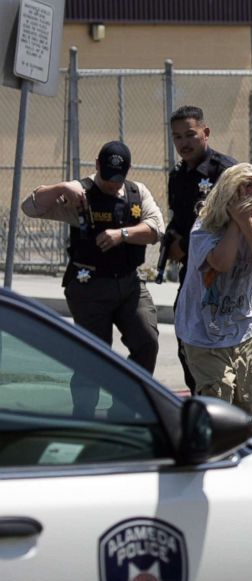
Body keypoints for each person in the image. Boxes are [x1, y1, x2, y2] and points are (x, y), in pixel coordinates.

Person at [21, 141, 164, 417]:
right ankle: (84, 417)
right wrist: (62, 188)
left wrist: (121, 235)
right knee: (93, 355)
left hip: (129, 284)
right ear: (97, 165)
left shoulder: (137, 192)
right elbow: (31, 207)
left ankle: (123, 410)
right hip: (89, 287)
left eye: (118, 178)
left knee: (147, 342)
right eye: (108, 177)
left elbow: (156, 228)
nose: (112, 185)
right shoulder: (80, 195)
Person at [174, 163, 252, 416]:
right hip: (202, 332)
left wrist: (247, 224)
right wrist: (236, 223)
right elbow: (221, 263)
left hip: (242, 330)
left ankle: (239, 454)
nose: (249, 205)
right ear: (226, 197)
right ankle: (210, 452)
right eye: (241, 197)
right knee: (219, 400)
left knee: (245, 406)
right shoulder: (204, 227)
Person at [166, 105, 238, 394]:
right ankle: (199, 394)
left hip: (225, 270)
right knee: (186, 330)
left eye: (190, 135)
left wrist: (184, 245)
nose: (183, 143)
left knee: (222, 337)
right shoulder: (178, 174)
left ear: (205, 133)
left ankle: (224, 399)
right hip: (191, 271)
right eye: (177, 137)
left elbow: (231, 221)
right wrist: (171, 240)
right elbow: (181, 219)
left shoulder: (225, 171)